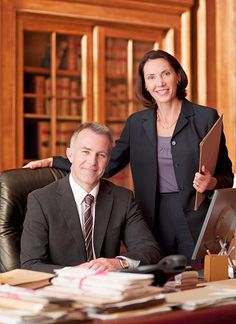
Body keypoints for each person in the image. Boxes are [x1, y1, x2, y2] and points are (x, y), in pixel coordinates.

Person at [24, 50, 234, 261]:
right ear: (144, 84)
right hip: (150, 219)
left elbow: (227, 176)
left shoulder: (206, 117)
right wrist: (55, 161)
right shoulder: (136, 123)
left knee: (197, 281)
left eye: (165, 74)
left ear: (178, 76)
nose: (159, 83)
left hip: (196, 218)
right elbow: (109, 163)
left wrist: (211, 182)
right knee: (158, 279)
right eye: (151, 77)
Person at [21, 122, 162, 273]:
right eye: (85, 152)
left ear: (108, 161)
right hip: (62, 290)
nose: (92, 162)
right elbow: (31, 264)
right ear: (70, 155)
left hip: (107, 291)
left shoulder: (122, 199)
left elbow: (150, 250)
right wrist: (75, 273)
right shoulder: (41, 200)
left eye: (101, 155)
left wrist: (120, 263)